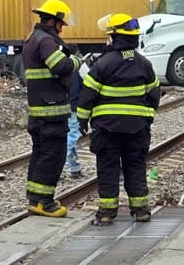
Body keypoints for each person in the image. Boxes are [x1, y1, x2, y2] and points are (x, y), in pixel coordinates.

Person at [77, 13, 161, 226]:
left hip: (107, 128)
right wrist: (146, 118)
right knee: (136, 166)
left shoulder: (103, 64)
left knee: (108, 168)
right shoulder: (144, 64)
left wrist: (82, 121)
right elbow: (154, 95)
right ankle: (141, 210)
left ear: (114, 37)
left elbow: (87, 96)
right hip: (137, 128)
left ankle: (106, 213)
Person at [23, 0, 81, 218]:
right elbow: (60, 66)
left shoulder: (32, 38)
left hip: (38, 111)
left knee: (40, 154)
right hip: (51, 112)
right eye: (61, 23)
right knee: (53, 156)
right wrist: (76, 60)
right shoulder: (47, 41)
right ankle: (44, 202)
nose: (62, 27)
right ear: (54, 20)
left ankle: (35, 198)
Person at [66, 70, 83, 179]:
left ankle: (73, 167)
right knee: (72, 136)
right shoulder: (74, 69)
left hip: (59, 107)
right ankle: (72, 166)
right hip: (73, 107)